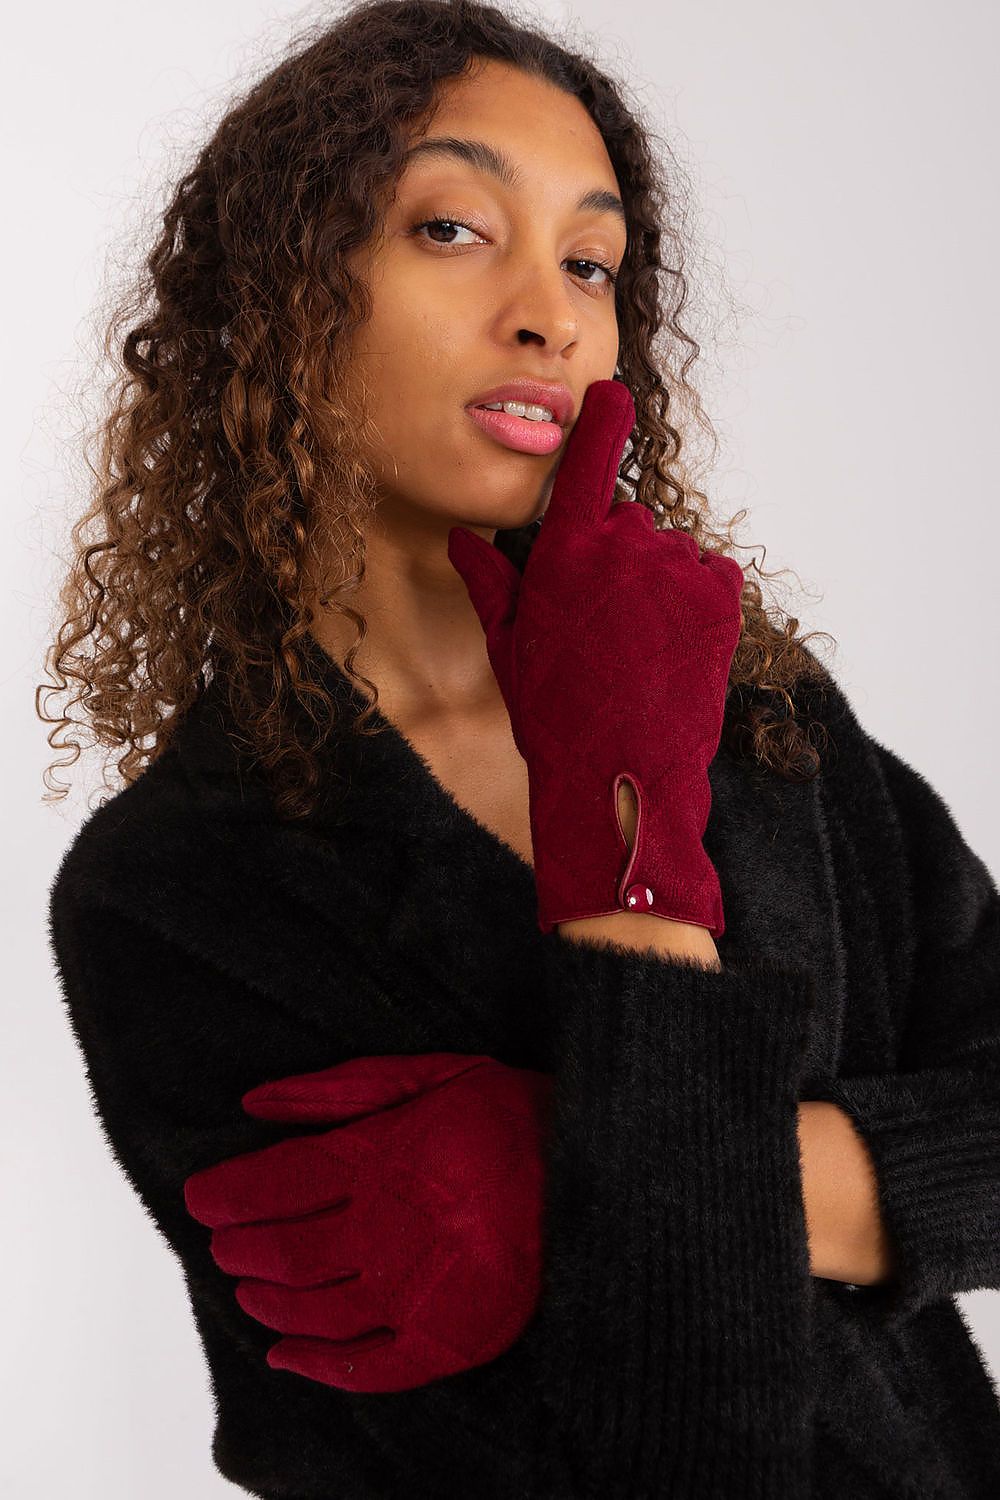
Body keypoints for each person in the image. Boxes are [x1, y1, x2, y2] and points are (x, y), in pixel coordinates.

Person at [40, 2, 1000, 1496]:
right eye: (452, 230)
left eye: (591, 261)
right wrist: (631, 865)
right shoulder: (175, 889)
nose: (550, 313)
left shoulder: (756, 714)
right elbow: (681, 1461)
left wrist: (572, 1164)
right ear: (282, 297)